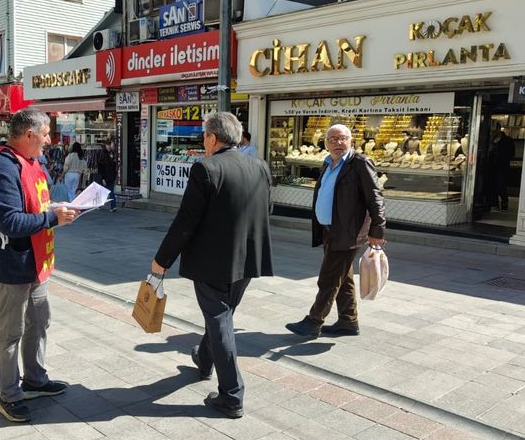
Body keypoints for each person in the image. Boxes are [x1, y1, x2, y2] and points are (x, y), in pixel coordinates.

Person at [151, 112, 274, 419]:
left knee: (220, 320)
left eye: (204, 136)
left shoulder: (205, 168)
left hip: (212, 261)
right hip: (248, 257)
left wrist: (161, 260)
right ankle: (204, 359)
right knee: (222, 314)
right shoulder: (259, 166)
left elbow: (185, 222)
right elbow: (265, 208)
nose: (203, 142)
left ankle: (232, 395)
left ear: (212, 138)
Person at [0, 108, 78, 423]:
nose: (49, 140)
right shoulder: (2, 167)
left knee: (39, 322)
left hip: (34, 262)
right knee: (11, 332)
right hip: (10, 266)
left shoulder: (28, 162)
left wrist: (53, 208)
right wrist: (53, 217)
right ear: (28, 135)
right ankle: (9, 396)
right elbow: (10, 221)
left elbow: (30, 206)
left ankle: (36, 380)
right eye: (45, 134)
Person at [286, 124, 386, 340]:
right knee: (343, 278)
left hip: (348, 231)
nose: (337, 143)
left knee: (329, 279)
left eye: (342, 138)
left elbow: (375, 197)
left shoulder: (359, 163)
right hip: (329, 230)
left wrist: (377, 229)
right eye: (332, 139)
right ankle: (348, 322)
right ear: (326, 143)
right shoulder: (327, 162)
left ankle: (314, 322)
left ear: (351, 141)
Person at [490, 127, 515, 212]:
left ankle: (504, 203)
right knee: (493, 185)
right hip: (491, 166)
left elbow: (511, 153)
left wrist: (502, 157)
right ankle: (494, 203)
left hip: (502, 166)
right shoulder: (491, 139)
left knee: (501, 185)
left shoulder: (508, 140)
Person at [97, 140, 117, 212]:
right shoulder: (103, 154)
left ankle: (112, 206)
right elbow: (101, 167)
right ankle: (112, 206)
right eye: (108, 145)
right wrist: (102, 178)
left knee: (108, 190)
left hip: (110, 176)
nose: (109, 147)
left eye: (110, 145)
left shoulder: (110, 153)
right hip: (106, 176)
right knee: (106, 190)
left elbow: (113, 166)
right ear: (105, 145)